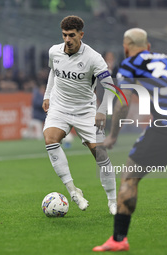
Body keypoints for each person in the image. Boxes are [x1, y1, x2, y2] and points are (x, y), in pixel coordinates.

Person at [93, 28, 167, 251]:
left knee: (129, 176)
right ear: (148, 46)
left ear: (125, 47)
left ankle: (119, 240)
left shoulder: (130, 63)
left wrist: (112, 136)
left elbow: (123, 101)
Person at [42, 15, 117, 214]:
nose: (67, 39)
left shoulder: (93, 57)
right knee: (50, 139)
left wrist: (102, 111)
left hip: (85, 110)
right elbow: (53, 71)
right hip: (59, 107)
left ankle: (113, 201)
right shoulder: (54, 51)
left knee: (100, 154)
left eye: (72, 35)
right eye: (64, 35)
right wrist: (47, 95)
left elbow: (110, 86)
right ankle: (73, 191)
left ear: (81, 35)